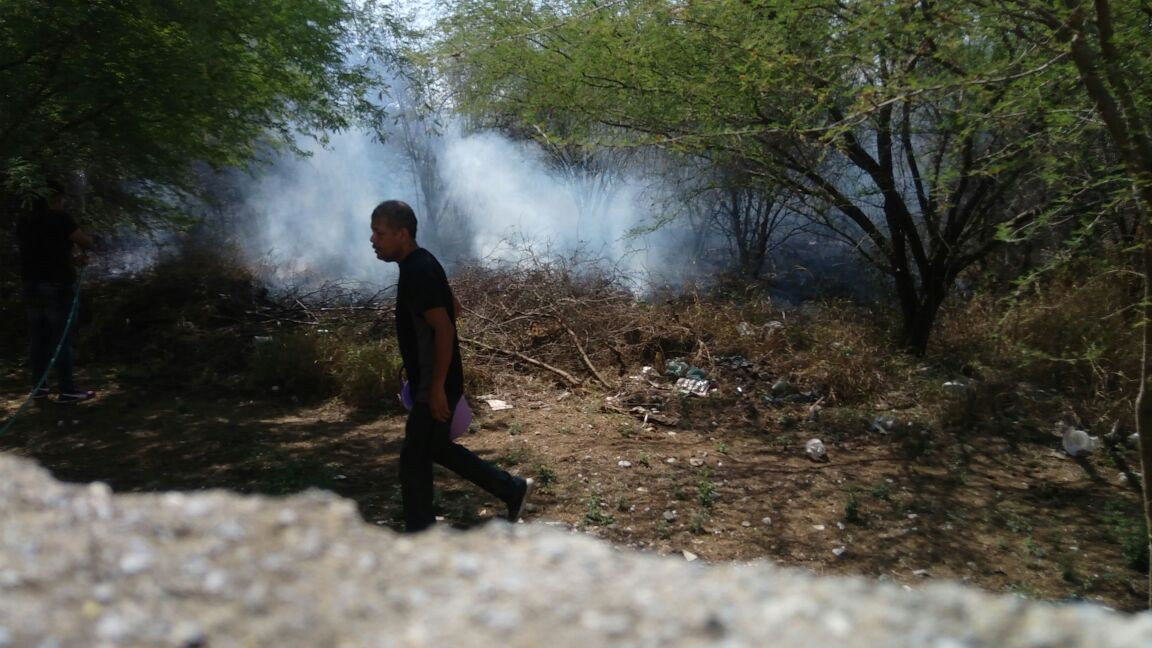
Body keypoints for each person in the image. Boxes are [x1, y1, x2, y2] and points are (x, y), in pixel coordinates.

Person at [370, 199, 533, 532]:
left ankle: (421, 533)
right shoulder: (423, 261)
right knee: (434, 448)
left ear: (402, 234)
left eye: (379, 233)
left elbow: (445, 327)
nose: (373, 240)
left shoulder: (417, 270)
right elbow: (453, 308)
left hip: (436, 382)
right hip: (434, 379)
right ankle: (511, 488)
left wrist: (436, 387)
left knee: (414, 460)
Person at [15, 182, 95, 403]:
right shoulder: (61, 219)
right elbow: (86, 242)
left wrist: (71, 260)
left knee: (39, 338)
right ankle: (67, 390)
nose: (63, 202)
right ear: (55, 198)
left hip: (31, 285)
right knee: (61, 339)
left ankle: (39, 389)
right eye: (61, 198)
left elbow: (40, 254)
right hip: (58, 287)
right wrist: (86, 240)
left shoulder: (24, 220)